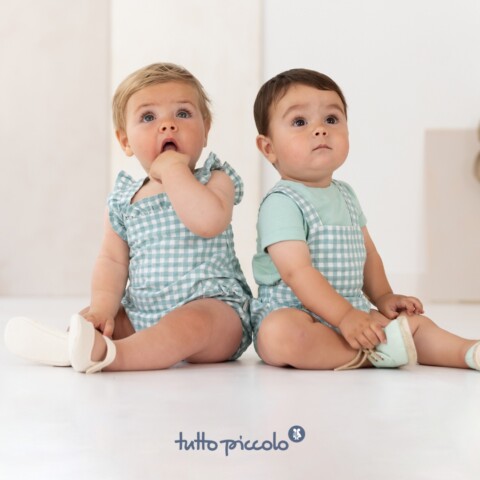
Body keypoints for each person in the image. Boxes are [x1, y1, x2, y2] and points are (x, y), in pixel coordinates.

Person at [5, 62, 252, 373]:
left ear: (206, 130)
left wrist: (174, 170)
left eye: (183, 113)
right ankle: (74, 345)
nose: (168, 125)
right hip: (142, 314)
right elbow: (112, 261)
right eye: (148, 117)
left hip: (216, 311)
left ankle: (114, 356)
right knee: (93, 319)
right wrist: (102, 309)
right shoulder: (124, 199)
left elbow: (208, 222)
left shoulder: (215, 179)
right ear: (125, 141)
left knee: (190, 323)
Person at [250, 68, 479, 371]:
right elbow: (297, 272)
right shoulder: (281, 202)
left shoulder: (346, 194)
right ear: (269, 148)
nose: (320, 130)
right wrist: (344, 317)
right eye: (300, 122)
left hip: (353, 313)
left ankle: (467, 351)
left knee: (413, 325)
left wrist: (383, 296)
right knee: (279, 335)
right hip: (298, 313)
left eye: (331, 119)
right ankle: (373, 355)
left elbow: (368, 252)